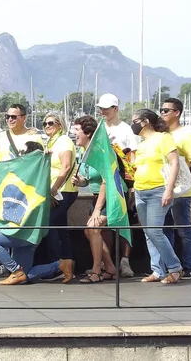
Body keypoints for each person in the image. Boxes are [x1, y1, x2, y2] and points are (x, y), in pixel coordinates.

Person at [0, 104, 73, 285]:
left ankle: (15, 270)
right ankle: (60, 265)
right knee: (26, 276)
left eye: (14, 117)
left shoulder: (35, 139)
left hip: (25, 219)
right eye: (7, 116)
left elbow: (48, 166)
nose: (9, 119)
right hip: (22, 218)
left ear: (23, 118)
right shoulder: (1, 138)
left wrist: (51, 191)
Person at [131, 108, 182, 284]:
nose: (133, 124)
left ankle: (175, 268)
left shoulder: (163, 138)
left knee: (154, 231)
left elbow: (174, 163)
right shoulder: (142, 144)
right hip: (140, 191)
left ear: (145, 121)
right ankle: (157, 270)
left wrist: (169, 190)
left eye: (135, 121)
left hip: (158, 190)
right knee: (148, 233)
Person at [71, 116, 121, 283]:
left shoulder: (101, 152)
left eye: (77, 130)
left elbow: (107, 181)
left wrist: (98, 209)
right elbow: (90, 178)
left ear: (88, 133)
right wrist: (81, 181)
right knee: (89, 231)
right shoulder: (82, 152)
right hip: (96, 196)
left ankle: (96, 270)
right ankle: (111, 268)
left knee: (93, 229)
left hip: (111, 197)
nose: (74, 134)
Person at [160, 98, 191, 280]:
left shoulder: (186, 136)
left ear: (177, 113)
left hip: (181, 192)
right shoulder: (162, 135)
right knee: (165, 229)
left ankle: (189, 266)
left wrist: (186, 180)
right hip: (163, 189)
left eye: (166, 110)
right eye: (161, 110)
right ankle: (171, 267)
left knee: (184, 229)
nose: (162, 113)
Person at [96, 93, 136, 277]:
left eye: (107, 108)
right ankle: (109, 262)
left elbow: (132, 157)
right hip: (104, 181)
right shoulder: (100, 128)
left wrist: (133, 184)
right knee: (106, 225)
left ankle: (125, 261)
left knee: (123, 221)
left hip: (121, 181)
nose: (103, 111)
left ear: (116, 109)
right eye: (101, 108)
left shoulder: (126, 129)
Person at [43, 112, 78, 278]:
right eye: (45, 124)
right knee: (60, 228)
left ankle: (57, 264)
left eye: (51, 123)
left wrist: (53, 189)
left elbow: (66, 166)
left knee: (49, 223)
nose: (47, 126)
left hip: (63, 190)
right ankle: (68, 264)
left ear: (60, 124)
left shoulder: (64, 140)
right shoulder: (51, 141)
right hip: (56, 190)